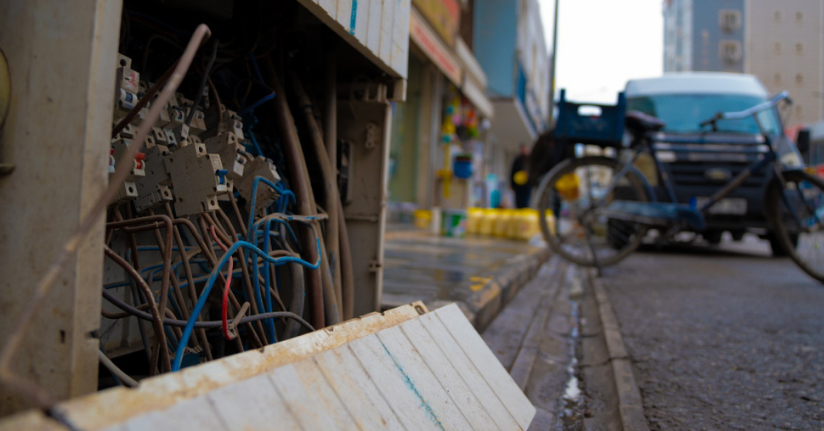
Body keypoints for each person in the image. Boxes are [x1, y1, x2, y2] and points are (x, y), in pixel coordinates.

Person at [510, 143, 531, 208]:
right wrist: (512, 185)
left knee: (525, 202)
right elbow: (512, 172)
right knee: (518, 202)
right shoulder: (517, 160)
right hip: (518, 186)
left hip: (527, 185)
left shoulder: (529, 160)